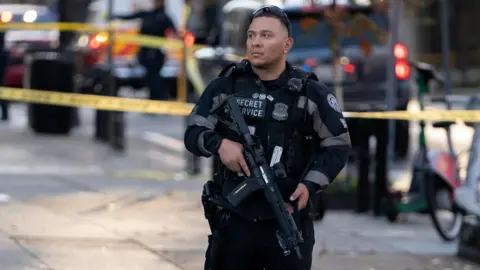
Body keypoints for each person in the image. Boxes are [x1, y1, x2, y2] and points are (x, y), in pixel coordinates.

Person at [184, 5, 351, 270]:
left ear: (287, 45)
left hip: (287, 218)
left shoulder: (309, 93)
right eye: (251, 35)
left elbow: (337, 145)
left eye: (266, 36)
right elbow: (193, 132)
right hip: (234, 222)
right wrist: (220, 144)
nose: (256, 43)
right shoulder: (226, 86)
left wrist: (309, 185)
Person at [113, 0, 176, 101]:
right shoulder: (148, 14)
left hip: (157, 54)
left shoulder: (164, 17)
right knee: (150, 77)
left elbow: (174, 31)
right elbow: (130, 17)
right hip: (145, 53)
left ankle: (158, 98)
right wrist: (114, 16)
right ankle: (155, 99)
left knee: (155, 78)